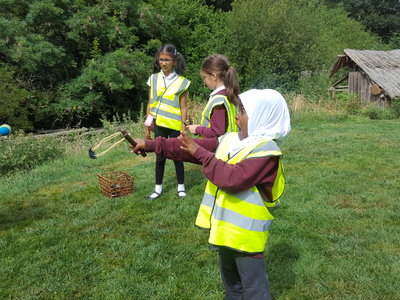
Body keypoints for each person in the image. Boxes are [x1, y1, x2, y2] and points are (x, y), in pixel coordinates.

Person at [131, 89, 291, 299]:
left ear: (261, 115)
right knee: (232, 287)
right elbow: (186, 147)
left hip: (246, 237)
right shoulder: (230, 139)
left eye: (243, 111)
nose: (236, 115)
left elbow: (232, 179)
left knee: (254, 290)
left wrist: (199, 152)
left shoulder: (267, 151)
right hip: (225, 230)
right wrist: (152, 145)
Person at [144, 44, 191, 200]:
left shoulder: (183, 82)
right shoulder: (153, 78)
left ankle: (181, 187)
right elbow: (150, 102)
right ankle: (158, 188)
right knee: (160, 156)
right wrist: (147, 125)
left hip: (175, 125)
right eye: (161, 59)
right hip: (159, 124)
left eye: (167, 60)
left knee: (177, 155)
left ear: (175, 61)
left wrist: (183, 127)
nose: (163, 63)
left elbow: (183, 108)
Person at [187, 54, 239, 138]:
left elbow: (217, 132)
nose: (204, 81)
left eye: (205, 77)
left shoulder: (219, 100)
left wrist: (197, 129)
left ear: (214, 76)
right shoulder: (229, 95)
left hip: (217, 149)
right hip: (228, 146)